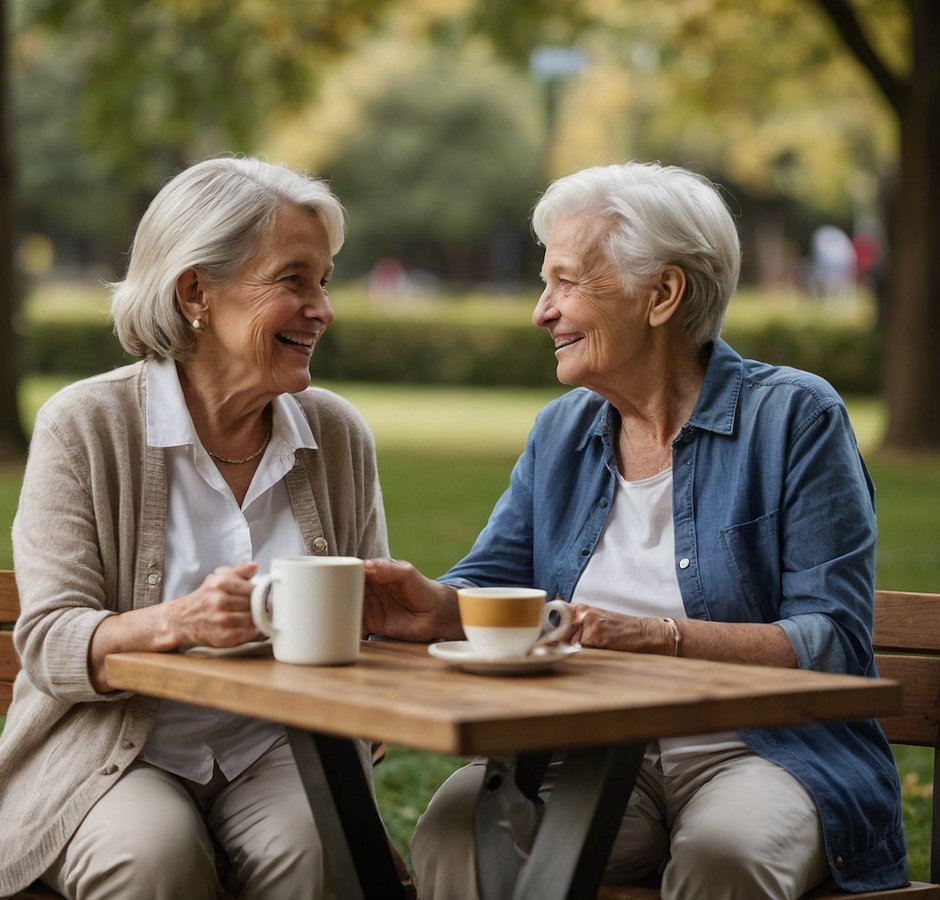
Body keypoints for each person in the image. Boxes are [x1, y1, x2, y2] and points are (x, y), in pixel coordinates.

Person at [363, 162, 906, 898]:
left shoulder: (794, 419)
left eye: (565, 281)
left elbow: (835, 640)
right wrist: (434, 606)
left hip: (762, 752)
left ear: (664, 294)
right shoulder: (563, 431)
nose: (541, 311)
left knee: (725, 854)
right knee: (459, 828)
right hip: (584, 746)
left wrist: (660, 638)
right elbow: (496, 581)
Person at [0, 157, 388, 900]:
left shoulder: (335, 434)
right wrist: (179, 622)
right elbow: (50, 641)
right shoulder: (86, 426)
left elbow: (370, 625)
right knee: (154, 858)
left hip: (283, 749)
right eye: (293, 279)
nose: (322, 308)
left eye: (325, 280)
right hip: (112, 750)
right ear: (195, 292)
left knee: (322, 848)